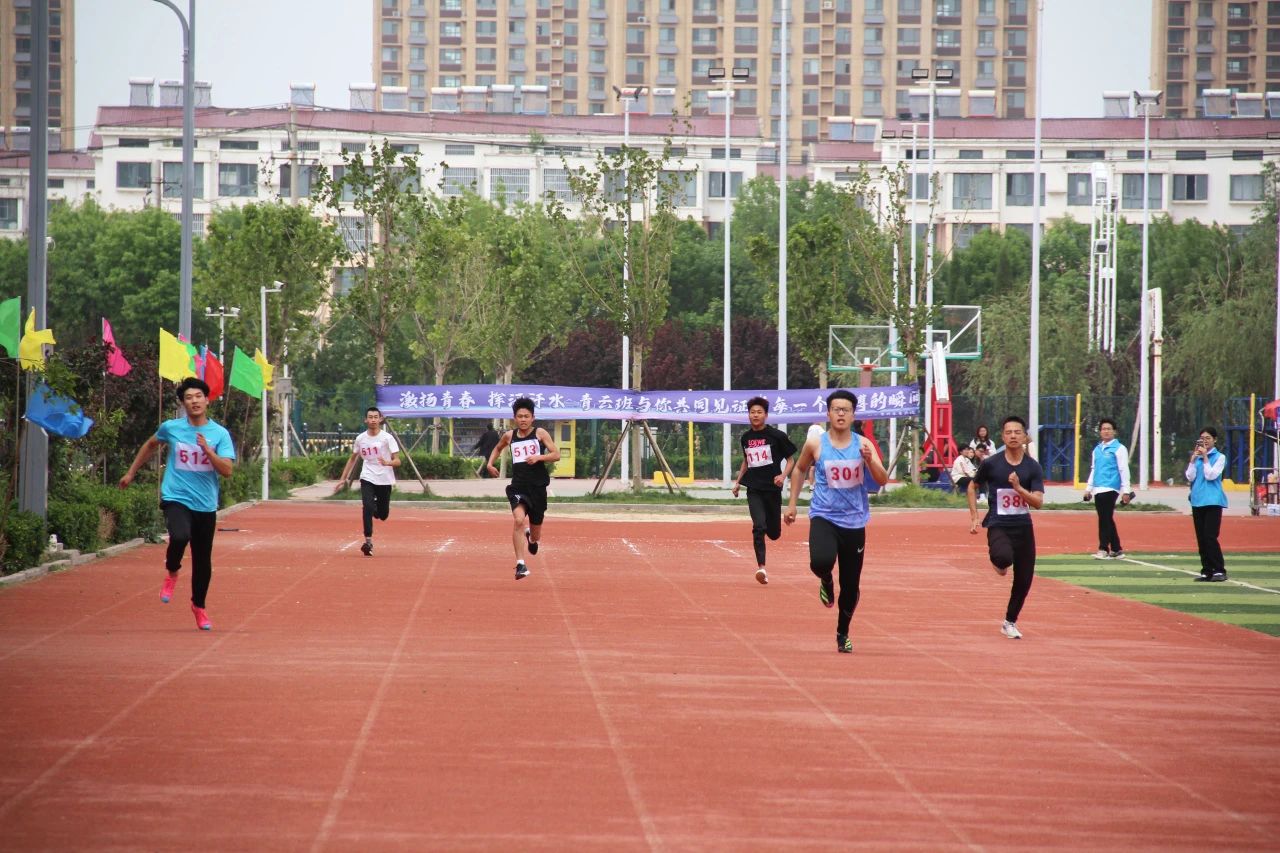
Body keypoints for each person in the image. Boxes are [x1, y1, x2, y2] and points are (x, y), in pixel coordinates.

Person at [119, 377, 236, 631]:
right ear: (183, 403)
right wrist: (131, 472)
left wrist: (209, 452)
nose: (194, 401)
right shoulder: (171, 428)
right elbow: (151, 445)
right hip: (176, 496)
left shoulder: (219, 434)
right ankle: (172, 570)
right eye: (188, 398)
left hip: (205, 504)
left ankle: (199, 606)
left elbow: (227, 470)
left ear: (207, 400)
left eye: (198, 396)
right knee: (180, 536)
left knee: (203, 560)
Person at [785, 389, 889, 654]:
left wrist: (869, 461)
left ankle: (843, 633)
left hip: (854, 522)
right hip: (824, 515)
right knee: (820, 562)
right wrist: (792, 504)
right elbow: (799, 469)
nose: (841, 414)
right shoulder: (816, 444)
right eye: (836, 409)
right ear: (828, 413)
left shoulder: (863, 445)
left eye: (846, 410)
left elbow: (882, 479)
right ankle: (826, 580)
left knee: (851, 586)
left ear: (853, 415)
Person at [966, 415, 1045, 640]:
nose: (1013, 436)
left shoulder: (1032, 467)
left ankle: (1009, 622)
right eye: (1008, 432)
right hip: (998, 523)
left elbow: (1038, 502)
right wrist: (974, 516)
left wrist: (1019, 489)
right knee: (1003, 558)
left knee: (1024, 579)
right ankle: (999, 562)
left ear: (1025, 437)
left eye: (1017, 432)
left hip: (1023, 527)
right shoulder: (991, 463)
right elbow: (972, 486)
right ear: (1002, 437)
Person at [487, 397, 561, 580]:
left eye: (526, 416)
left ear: (532, 418)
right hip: (518, 487)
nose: (523, 419)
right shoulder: (509, 436)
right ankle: (520, 564)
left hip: (538, 488)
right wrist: (490, 464)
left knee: (536, 534)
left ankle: (532, 539)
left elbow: (556, 454)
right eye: (519, 416)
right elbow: (498, 448)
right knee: (518, 520)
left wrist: (539, 457)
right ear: (514, 418)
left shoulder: (540, 433)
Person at [731, 396, 798, 585]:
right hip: (754, 488)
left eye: (759, 412)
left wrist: (782, 476)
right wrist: (738, 482)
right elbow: (746, 461)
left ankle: (770, 525)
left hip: (772, 489)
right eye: (752, 412)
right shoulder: (745, 438)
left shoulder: (777, 436)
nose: (755, 415)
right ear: (748, 415)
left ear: (766, 415)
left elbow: (791, 460)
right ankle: (761, 567)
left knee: (774, 533)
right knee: (758, 526)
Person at [334, 406, 401, 557]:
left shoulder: (387, 438)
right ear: (365, 420)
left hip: (384, 479)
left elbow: (398, 461)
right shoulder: (361, 439)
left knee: (382, 515)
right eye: (370, 417)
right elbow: (352, 459)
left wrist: (388, 463)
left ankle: (375, 507)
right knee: (367, 507)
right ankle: (368, 541)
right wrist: (342, 479)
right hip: (367, 476)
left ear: (380, 419)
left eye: (375, 417)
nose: (373, 420)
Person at [1084, 417, 1132, 560]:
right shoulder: (1097, 449)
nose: (1106, 431)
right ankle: (1116, 549)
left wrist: (1126, 491)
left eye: (1109, 429)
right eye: (1104, 429)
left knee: (1104, 519)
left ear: (1114, 431)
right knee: (1106, 518)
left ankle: (1103, 548)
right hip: (1098, 488)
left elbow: (1124, 470)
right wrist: (1088, 489)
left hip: (1111, 487)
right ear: (1100, 432)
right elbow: (1094, 469)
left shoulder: (1120, 449)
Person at [1186, 426, 1229, 582]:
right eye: (1202, 438)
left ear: (1214, 440)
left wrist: (1205, 457)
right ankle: (1207, 570)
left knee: (1210, 536)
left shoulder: (1220, 457)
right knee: (1201, 538)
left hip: (1213, 501)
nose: (1205, 441)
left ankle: (1219, 570)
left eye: (1208, 438)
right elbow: (1190, 477)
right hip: (1197, 501)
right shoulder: (1197, 457)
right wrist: (1192, 460)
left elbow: (1211, 475)